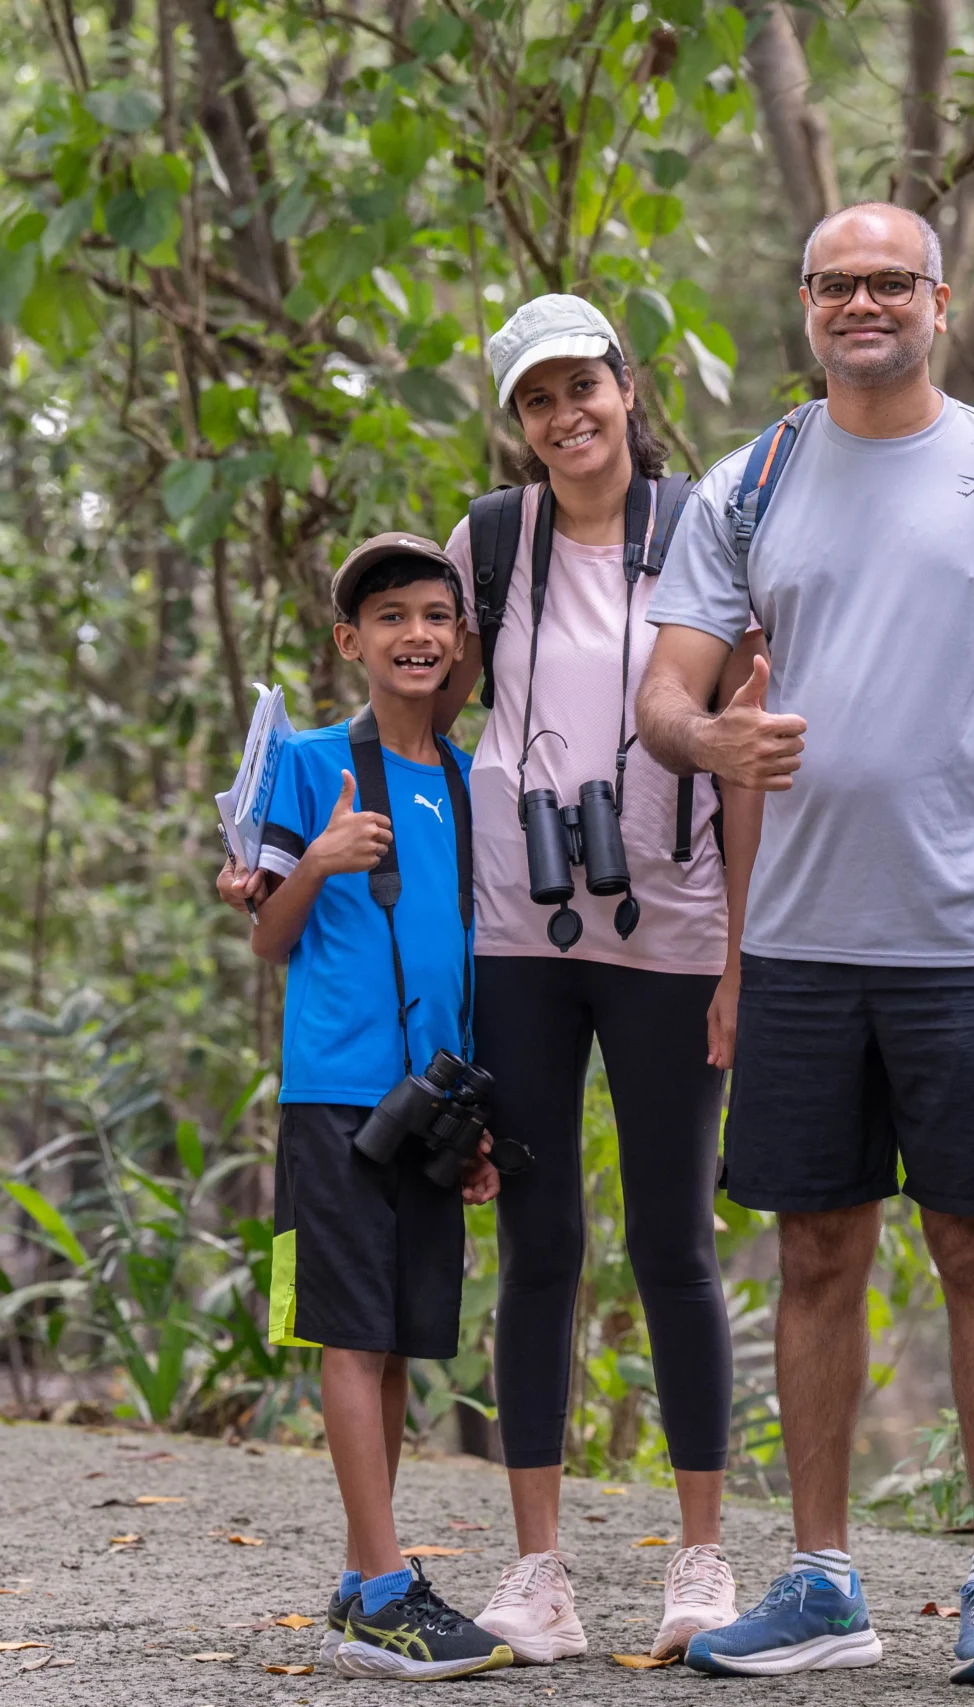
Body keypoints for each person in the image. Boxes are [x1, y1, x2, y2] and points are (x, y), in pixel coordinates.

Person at [636, 202, 974, 1687]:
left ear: (937, 302)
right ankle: (821, 1580)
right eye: (835, 284)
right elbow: (664, 695)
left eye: (888, 282)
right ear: (805, 304)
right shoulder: (752, 482)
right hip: (801, 942)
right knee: (814, 1249)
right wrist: (711, 736)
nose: (860, 304)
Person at [426, 293, 764, 1664]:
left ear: (627, 386)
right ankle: (538, 1572)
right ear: (519, 422)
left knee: (676, 1242)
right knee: (539, 1243)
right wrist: (287, 845)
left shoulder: (703, 529)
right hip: (519, 937)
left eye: (584, 387)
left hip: (672, 936)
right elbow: (419, 708)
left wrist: (741, 959)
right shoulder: (490, 541)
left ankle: (702, 1560)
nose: (566, 416)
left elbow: (742, 748)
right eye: (537, 398)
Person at [241, 534, 515, 1681]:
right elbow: (267, 938)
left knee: (400, 1338)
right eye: (391, 616)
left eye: (436, 617)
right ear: (349, 641)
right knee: (349, 1335)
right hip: (334, 1095)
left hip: (431, 1106)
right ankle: (390, 1591)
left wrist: (475, 1122)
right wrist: (319, 861)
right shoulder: (309, 764)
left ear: (458, 641)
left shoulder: (469, 778)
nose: (417, 635)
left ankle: (368, 1582)